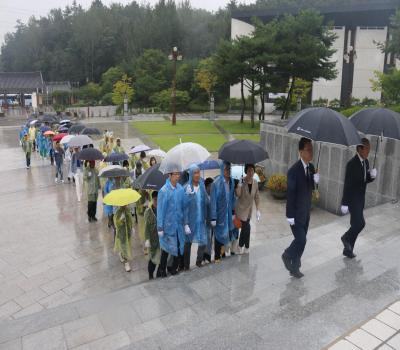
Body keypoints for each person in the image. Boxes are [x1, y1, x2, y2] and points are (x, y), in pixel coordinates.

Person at [282, 137, 319, 278]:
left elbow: (312, 188)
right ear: (301, 152)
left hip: (306, 212)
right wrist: (289, 215)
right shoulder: (293, 171)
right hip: (295, 214)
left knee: (302, 241)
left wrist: (316, 181)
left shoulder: (311, 167)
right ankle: (287, 255)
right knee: (301, 240)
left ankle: (295, 268)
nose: (311, 152)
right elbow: (290, 194)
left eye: (312, 150)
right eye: (308, 150)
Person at [340, 138, 377, 258]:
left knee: (355, 223)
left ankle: (348, 249)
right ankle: (345, 237)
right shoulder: (352, 164)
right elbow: (347, 184)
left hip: (361, 199)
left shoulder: (365, 162)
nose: (368, 152)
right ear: (360, 149)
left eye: (369, 150)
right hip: (352, 199)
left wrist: (372, 177)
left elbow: (364, 180)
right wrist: (344, 203)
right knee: (360, 223)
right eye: (367, 149)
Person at [157, 171, 184, 277]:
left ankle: (174, 268)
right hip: (168, 226)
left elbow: (183, 205)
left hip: (178, 225)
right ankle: (162, 270)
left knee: (177, 246)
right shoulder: (164, 191)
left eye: (178, 174)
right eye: (175, 174)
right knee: (166, 249)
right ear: (170, 175)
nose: (178, 176)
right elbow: (160, 210)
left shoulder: (180, 189)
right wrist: (160, 227)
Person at [210, 161, 236, 263]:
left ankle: (223, 255)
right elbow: (213, 202)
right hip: (219, 215)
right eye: (226, 169)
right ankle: (217, 257)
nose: (228, 171)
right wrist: (213, 217)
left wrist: (233, 212)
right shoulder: (216, 184)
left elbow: (232, 198)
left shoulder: (232, 182)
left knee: (226, 234)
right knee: (218, 236)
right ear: (222, 170)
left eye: (229, 169)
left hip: (228, 214)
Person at [183, 164, 208, 269]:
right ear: (191, 174)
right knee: (188, 244)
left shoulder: (202, 186)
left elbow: (206, 201)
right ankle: (186, 265)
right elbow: (184, 207)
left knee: (203, 241)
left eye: (198, 172)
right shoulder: (186, 188)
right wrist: (185, 223)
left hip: (201, 220)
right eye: (195, 173)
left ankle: (199, 260)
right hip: (190, 221)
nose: (197, 175)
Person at [235, 164, 261, 254]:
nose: (251, 172)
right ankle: (245, 246)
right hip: (241, 209)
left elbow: (257, 197)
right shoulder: (242, 180)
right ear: (246, 171)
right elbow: (238, 195)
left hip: (249, 211)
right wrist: (239, 185)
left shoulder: (255, 182)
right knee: (247, 227)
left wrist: (258, 210)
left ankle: (242, 246)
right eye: (249, 170)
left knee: (245, 229)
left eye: (252, 170)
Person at [144, 191, 161, 279]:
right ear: (152, 200)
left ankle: (159, 273)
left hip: (161, 238)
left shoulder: (161, 209)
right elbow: (146, 226)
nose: (157, 202)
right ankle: (151, 274)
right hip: (152, 238)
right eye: (155, 200)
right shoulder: (148, 211)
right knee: (152, 258)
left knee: (161, 256)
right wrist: (147, 239)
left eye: (158, 199)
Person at [114, 205, 133, 272]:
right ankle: (126, 264)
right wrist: (121, 221)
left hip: (128, 232)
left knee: (126, 247)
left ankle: (121, 254)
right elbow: (116, 223)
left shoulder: (127, 210)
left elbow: (130, 219)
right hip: (122, 233)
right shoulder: (118, 212)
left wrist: (132, 227)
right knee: (124, 248)